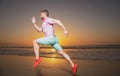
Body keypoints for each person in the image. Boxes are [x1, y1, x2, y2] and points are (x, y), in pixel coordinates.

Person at [32, 9, 78, 74]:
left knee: (34, 41)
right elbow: (39, 30)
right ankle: (73, 65)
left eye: (40, 14)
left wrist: (65, 30)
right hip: (54, 39)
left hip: (50, 38)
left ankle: (37, 59)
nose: (39, 16)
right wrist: (34, 24)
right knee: (61, 52)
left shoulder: (48, 19)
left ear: (44, 14)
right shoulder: (44, 23)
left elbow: (58, 21)